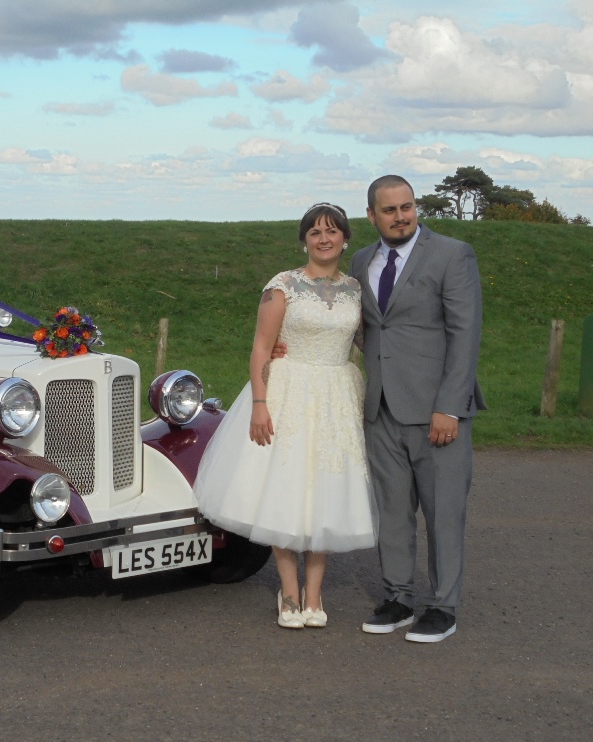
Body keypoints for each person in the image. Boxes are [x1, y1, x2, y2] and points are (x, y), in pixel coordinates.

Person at [194, 203, 377, 630]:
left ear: (345, 238)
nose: (324, 238)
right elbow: (262, 346)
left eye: (332, 231)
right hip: (287, 394)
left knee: (326, 490)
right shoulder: (281, 287)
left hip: (337, 396)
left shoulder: (355, 290)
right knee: (284, 487)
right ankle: (289, 591)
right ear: (304, 240)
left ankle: (315, 594)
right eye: (315, 232)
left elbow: (367, 341)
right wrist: (260, 404)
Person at [351, 175, 486, 643]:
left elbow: (464, 334)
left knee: (443, 511)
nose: (401, 216)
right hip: (381, 408)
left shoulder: (452, 254)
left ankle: (443, 606)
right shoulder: (361, 260)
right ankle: (398, 598)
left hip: (437, 412)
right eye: (389, 210)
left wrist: (451, 405)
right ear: (372, 215)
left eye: (407, 207)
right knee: (392, 511)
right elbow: (364, 329)